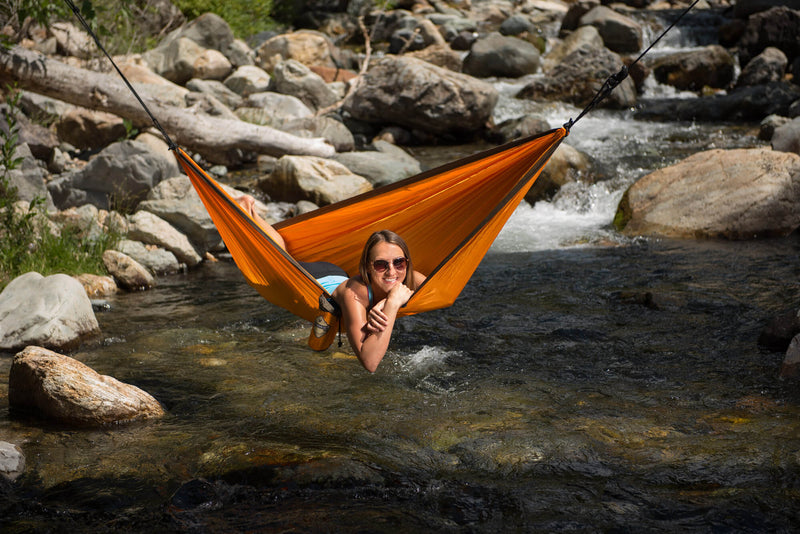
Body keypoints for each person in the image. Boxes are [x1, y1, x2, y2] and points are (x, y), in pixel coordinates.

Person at [237, 195, 426, 372]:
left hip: (338, 273)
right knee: (280, 260)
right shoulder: (355, 294)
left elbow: (437, 291)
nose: (392, 271)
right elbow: (369, 362)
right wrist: (392, 304)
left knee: (284, 255)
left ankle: (251, 209)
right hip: (314, 280)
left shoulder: (410, 276)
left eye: (399, 262)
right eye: (380, 265)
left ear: (406, 262)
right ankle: (245, 209)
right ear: (368, 267)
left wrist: (385, 302)